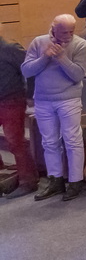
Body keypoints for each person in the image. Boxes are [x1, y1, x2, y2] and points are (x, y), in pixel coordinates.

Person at [21, 15, 86, 203]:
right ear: (53, 28)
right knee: (49, 142)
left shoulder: (81, 45)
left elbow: (77, 75)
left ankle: (75, 181)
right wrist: (45, 57)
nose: (67, 36)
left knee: (72, 140)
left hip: (69, 99)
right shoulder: (39, 42)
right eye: (63, 32)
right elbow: (26, 70)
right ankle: (56, 180)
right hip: (43, 99)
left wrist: (61, 58)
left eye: (71, 32)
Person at [0, 24, 35, 199]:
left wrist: (30, 94)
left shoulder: (9, 48)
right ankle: (3, 175)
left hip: (11, 100)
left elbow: (31, 70)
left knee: (15, 141)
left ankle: (28, 181)